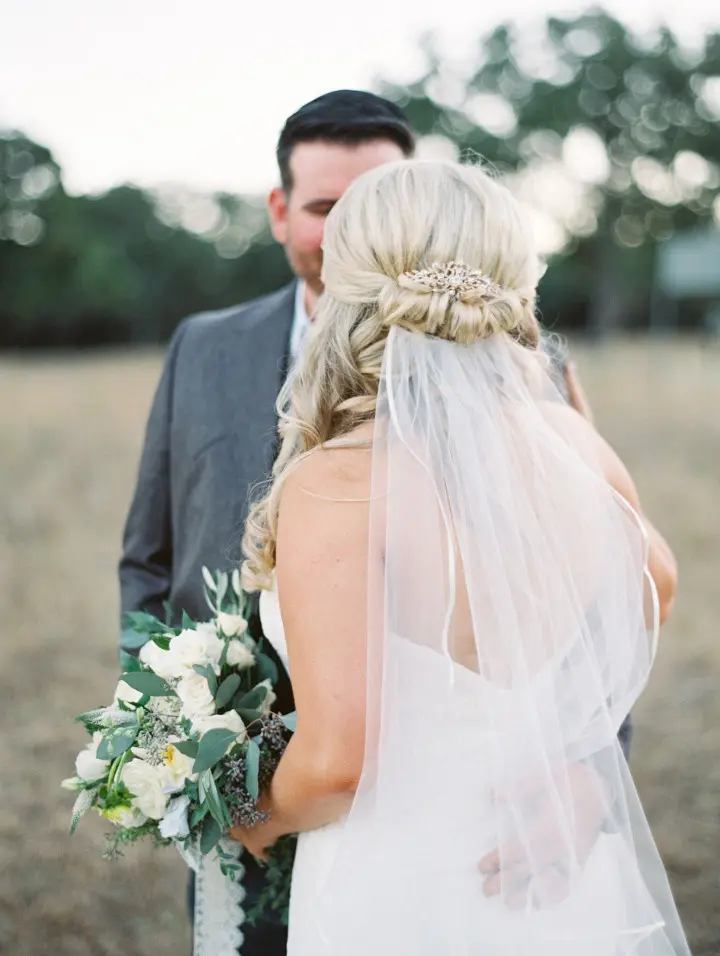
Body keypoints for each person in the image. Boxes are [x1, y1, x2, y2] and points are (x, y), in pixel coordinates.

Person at [231, 159, 687, 956]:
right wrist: (573, 759)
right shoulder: (574, 440)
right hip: (552, 864)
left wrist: (246, 814)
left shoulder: (336, 482)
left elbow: (339, 763)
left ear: (352, 285)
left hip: (404, 883)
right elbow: (657, 586)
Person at [119, 89, 415, 956]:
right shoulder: (202, 347)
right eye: (328, 208)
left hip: (413, 797)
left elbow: (588, 596)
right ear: (281, 211)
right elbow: (149, 558)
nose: (355, 233)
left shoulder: (499, 373)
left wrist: (583, 773)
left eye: (379, 206)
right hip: (230, 786)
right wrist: (171, 741)